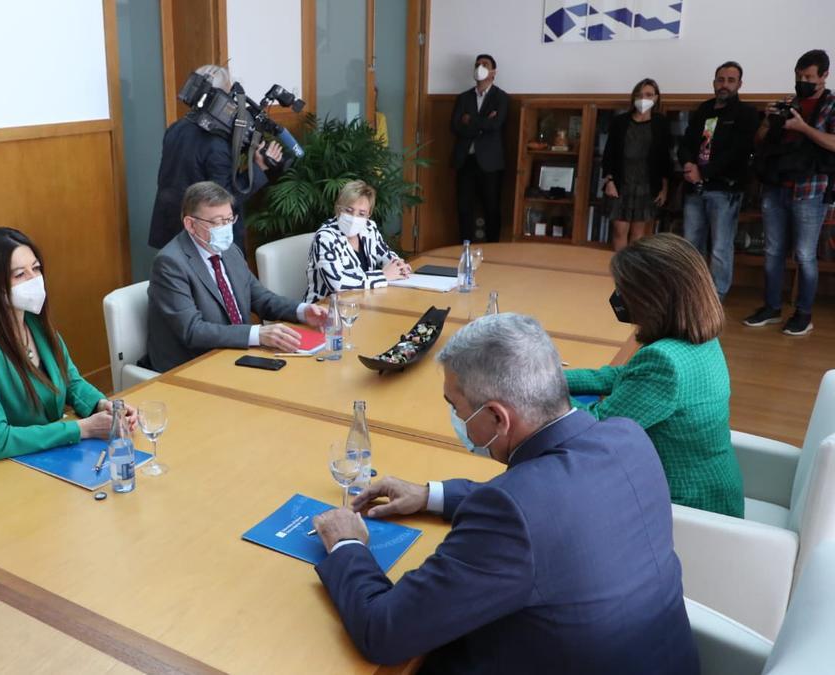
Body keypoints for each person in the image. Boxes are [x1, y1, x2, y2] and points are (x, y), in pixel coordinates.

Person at [311, 313, 698, 673]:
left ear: (498, 417)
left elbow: (385, 632)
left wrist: (348, 546)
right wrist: (430, 495)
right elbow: (554, 507)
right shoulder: (627, 437)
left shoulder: (512, 513)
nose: (458, 421)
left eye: (457, 408)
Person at [566, 234, 743, 517]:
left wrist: (530, 395)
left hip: (689, 509)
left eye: (623, 290)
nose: (617, 298)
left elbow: (595, 429)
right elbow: (625, 376)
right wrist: (553, 379)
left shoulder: (665, 363)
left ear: (652, 298)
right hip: (716, 490)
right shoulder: (696, 342)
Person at [0, 227, 134, 460]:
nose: (34, 280)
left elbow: (72, 383)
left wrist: (104, 407)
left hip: (53, 455)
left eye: (36, 269)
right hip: (4, 469)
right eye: (19, 275)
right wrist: (82, 428)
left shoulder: (35, 322)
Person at [144, 181, 327, 373]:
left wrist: (302, 311)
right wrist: (258, 334)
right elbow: (192, 331)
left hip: (235, 354)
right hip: (193, 364)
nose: (224, 228)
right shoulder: (170, 263)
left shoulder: (229, 249)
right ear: (190, 224)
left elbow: (259, 297)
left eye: (229, 220)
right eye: (216, 222)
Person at [744, 49, 835, 336]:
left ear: (824, 76)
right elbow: (759, 142)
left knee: (805, 255)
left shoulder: (831, 105)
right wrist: (767, 122)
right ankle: (771, 307)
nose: (803, 81)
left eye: (809, 77)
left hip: (810, 190)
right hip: (775, 187)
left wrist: (803, 127)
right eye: (799, 76)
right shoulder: (789, 103)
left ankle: (803, 314)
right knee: (772, 251)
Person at [147, 64, 282, 252]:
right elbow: (224, 198)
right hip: (203, 237)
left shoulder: (177, 127)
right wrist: (259, 167)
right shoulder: (216, 144)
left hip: (171, 228)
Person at [679, 61, 759, 301]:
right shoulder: (703, 109)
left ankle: (715, 297)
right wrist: (688, 164)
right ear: (714, 82)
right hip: (694, 187)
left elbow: (738, 152)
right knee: (691, 245)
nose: (724, 85)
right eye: (720, 79)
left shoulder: (746, 114)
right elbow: (686, 143)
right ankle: (690, 294)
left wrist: (705, 172)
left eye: (730, 80)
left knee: (720, 248)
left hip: (725, 190)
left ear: (739, 84)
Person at [304, 179, 412, 303]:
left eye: (362, 213)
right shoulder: (325, 237)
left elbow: (386, 256)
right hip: (323, 309)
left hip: (361, 303)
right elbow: (338, 283)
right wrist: (383, 276)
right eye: (349, 211)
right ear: (338, 208)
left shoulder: (369, 228)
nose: (354, 218)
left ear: (368, 215)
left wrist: (399, 266)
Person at [601, 78, 672, 251]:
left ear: (656, 98)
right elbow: (608, 153)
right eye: (640, 95)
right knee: (619, 231)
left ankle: (632, 273)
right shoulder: (620, 122)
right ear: (633, 97)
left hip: (647, 185)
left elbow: (665, 159)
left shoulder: (660, 123)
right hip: (621, 182)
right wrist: (609, 181)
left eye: (648, 95)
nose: (644, 98)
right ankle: (620, 270)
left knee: (638, 235)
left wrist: (664, 188)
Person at [450, 54, 509, 243]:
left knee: (491, 207)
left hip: (490, 163)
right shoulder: (464, 97)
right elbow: (456, 126)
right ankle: (464, 247)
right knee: (463, 207)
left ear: (493, 72)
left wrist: (471, 121)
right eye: (477, 64)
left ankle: (493, 249)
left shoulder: (500, 97)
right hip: (466, 160)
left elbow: (495, 125)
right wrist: (483, 122)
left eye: (484, 64)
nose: (479, 67)